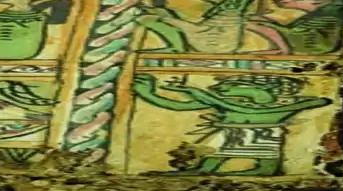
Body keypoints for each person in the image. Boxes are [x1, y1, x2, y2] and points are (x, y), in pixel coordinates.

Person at [131, 73, 330, 176]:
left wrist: (206, 96)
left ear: (264, 88)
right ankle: (206, 173)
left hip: (264, 137)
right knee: (209, 165)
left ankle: (230, 176)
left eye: (230, 86)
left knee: (267, 169)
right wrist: (147, 92)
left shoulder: (289, 103)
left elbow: (253, 112)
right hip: (229, 135)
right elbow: (177, 106)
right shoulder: (226, 100)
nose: (221, 89)